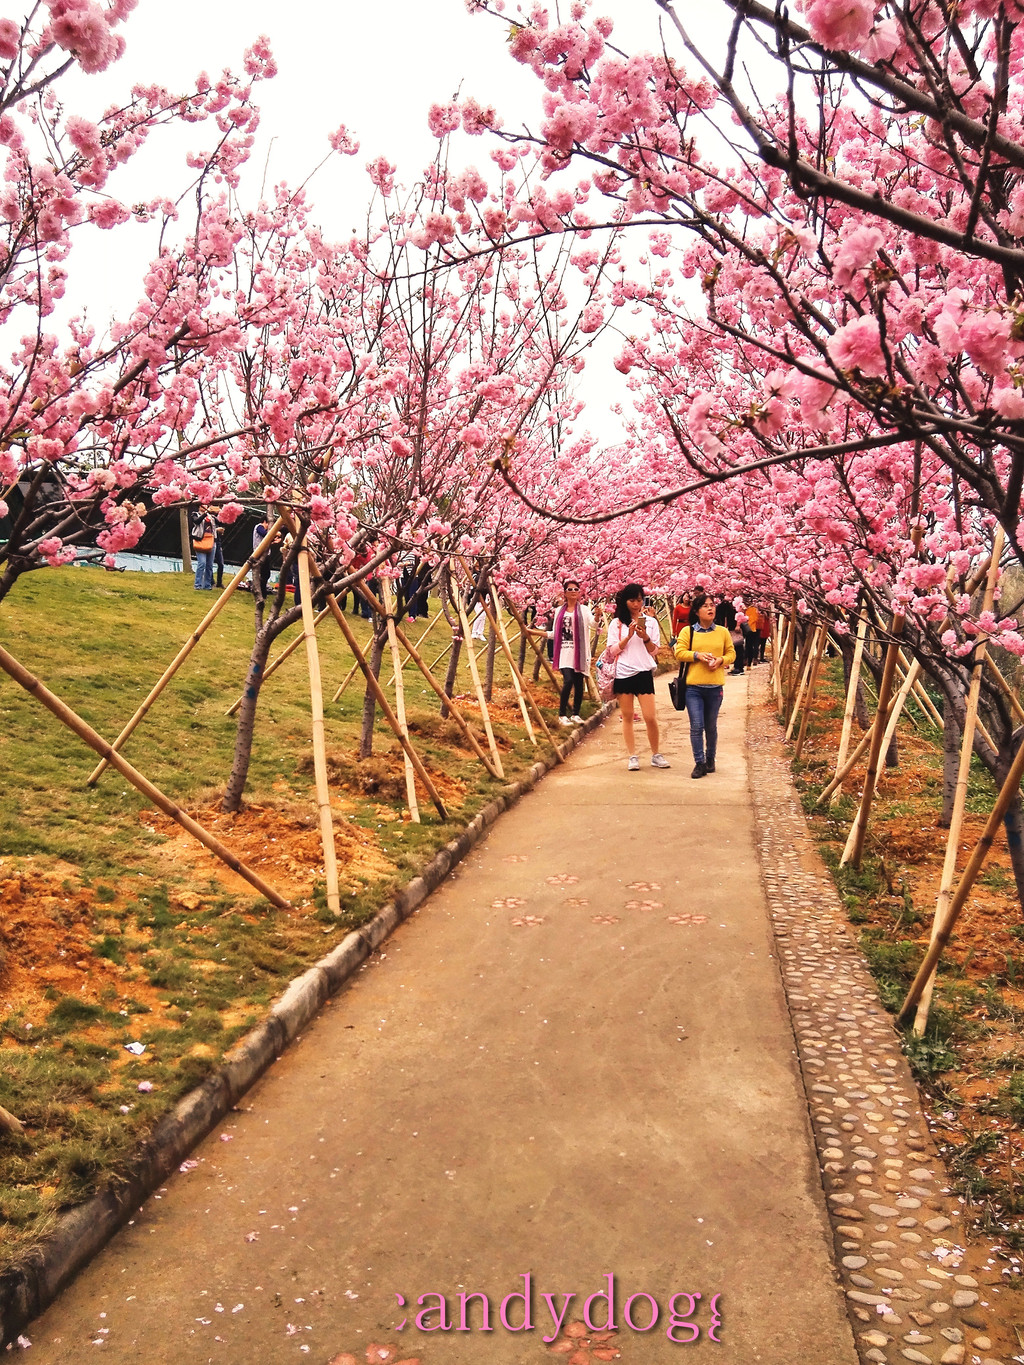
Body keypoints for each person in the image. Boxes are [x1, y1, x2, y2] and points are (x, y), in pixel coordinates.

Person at [605, 582, 670, 770]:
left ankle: (656, 754)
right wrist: (628, 636)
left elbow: (654, 651)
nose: (636, 604)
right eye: (632, 600)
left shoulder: (650, 623)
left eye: (640, 600)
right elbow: (612, 650)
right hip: (623, 673)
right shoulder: (616, 624)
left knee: (650, 716)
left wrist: (644, 637)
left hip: (643, 672)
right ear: (625, 601)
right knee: (627, 716)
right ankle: (632, 755)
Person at [674, 592, 735, 778]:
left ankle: (710, 759)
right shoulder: (688, 632)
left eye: (712, 605)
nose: (710, 608)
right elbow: (679, 652)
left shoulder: (723, 632)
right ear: (697, 611)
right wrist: (697, 655)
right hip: (693, 688)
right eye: (705, 606)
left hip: (715, 687)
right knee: (696, 726)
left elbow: (731, 654)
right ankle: (699, 763)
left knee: (711, 726)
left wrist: (721, 660)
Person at [546, 580, 594, 726]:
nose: (574, 591)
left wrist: (597, 617)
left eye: (576, 589)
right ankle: (562, 714)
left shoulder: (585, 610)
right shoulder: (559, 611)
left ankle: (575, 714)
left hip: (579, 652)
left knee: (579, 683)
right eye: (570, 589)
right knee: (568, 680)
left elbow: (593, 624)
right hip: (564, 652)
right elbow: (555, 633)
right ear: (565, 593)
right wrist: (536, 633)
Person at [191, 504, 217, 591]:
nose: (205, 507)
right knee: (202, 563)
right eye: (203, 505)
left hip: (211, 541)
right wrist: (205, 513)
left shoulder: (212, 517)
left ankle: (207, 585)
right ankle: (197, 585)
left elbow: (220, 522)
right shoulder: (195, 514)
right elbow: (197, 521)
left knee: (209, 565)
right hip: (200, 541)